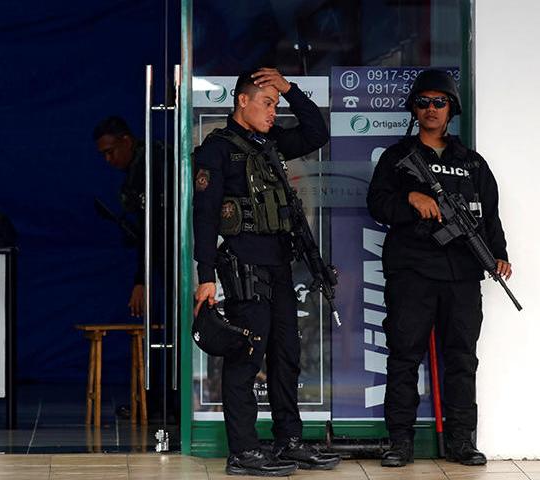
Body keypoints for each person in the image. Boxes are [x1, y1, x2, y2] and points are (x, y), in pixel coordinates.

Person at [192, 68, 340, 476]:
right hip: (244, 265)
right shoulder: (216, 150)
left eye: (276, 104)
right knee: (246, 356)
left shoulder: (270, 145)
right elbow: (204, 216)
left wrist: (290, 89)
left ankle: (288, 441)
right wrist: (205, 275)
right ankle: (243, 451)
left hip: (279, 264)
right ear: (243, 100)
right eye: (267, 103)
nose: (273, 112)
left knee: (286, 355)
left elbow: (316, 134)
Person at [367, 69, 512, 467]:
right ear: (414, 109)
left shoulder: (474, 164)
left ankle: (462, 441)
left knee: (462, 358)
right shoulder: (398, 159)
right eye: (423, 102)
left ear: (452, 109)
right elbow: (377, 204)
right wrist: (411, 198)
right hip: (412, 272)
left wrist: (498, 254)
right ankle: (400, 442)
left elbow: (491, 218)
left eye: (439, 102)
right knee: (403, 356)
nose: (431, 109)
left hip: (462, 275)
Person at [93, 117, 167, 317]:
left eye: (110, 152)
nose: (108, 160)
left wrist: (141, 281)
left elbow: (152, 227)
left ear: (126, 141)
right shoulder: (143, 165)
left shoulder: (151, 166)